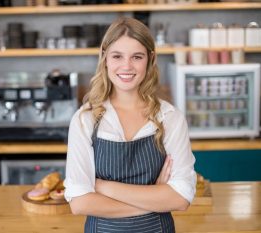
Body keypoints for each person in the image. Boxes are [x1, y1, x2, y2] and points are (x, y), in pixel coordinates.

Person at [64, 17, 196, 233]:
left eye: (137, 57)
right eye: (117, 56)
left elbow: (181, 198)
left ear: (150, 59)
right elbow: (80, 203)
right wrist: (156, 197)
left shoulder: (170, 118)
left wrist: (103, 187)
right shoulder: (85, 119)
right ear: (105, 58)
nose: (126, 66)